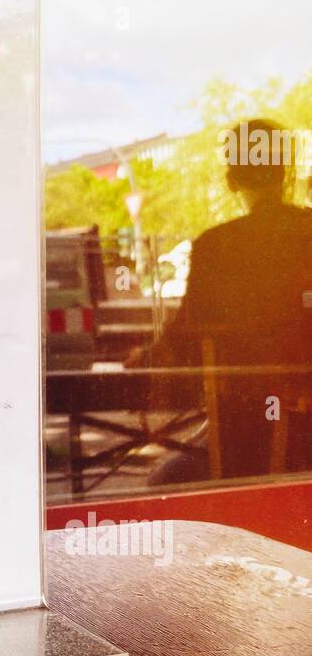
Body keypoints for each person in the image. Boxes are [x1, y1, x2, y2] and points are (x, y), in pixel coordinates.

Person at [126, 119, 312, 481]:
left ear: (232, 179)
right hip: (303, 438)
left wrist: (146, 358)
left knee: (159, 483)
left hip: (244, 436)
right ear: (285, 171)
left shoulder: (216, 247)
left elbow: (184, 338)